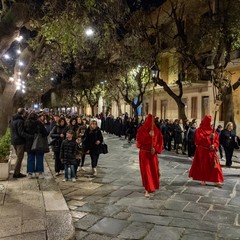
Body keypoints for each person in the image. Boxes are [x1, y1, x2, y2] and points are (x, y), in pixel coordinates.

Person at [188, 115, 224, 187]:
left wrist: (214, 145)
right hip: (203, 151)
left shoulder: (213, 130)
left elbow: (217, 140)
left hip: (211, 151)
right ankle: (203, 179)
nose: (209, 123)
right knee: (203, 166)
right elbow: (198, 141)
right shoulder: (199, 130)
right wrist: (208, 137)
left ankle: (216, 181)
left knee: (215, 166)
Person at [136, 114, 163, 198]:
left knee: (154, 170)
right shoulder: (141, 130)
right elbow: (139, 140)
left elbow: (160, 141)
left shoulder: (156, 130)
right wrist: (149, 136)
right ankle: (147, 189)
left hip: (152, 154)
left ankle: (152, 185)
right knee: (146, 171)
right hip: (144, 154)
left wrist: (155, 149)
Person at [24, 112, 48, 179]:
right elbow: (45, 133)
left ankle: (30, 173)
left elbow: (23, 133)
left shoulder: (26, 123)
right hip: (38, 143)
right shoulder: (39, 123)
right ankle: (40, 173)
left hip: (29, 144)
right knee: (39, 157)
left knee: (30, 158)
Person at [10, 108, 31, 178]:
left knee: (18, 157)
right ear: (23, 113)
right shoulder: (20, 121)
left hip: (14, 141)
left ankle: (17, 172)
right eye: (25, 113)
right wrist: (29, 136)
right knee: (19, 157)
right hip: (19, 142)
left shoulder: (13, 120)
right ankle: (16, 173)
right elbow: (21, 133)